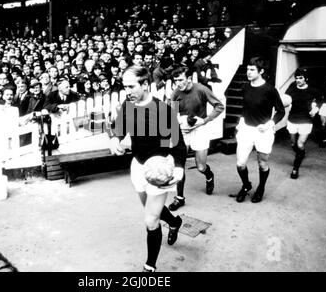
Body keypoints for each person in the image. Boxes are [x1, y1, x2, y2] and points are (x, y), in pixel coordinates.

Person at [109, 65, 187, 272]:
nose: (127, 91)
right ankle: (174, 222)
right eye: (124, 86)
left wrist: (178, 169)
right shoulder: (127, 106)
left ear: (145, 84)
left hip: (159, 169)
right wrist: (115, 140)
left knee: (151, 221)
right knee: (152, 210)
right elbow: (118, 129)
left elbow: (178, 144)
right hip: (138, 165)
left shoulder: (164, 110)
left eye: (131, 86)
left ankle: (150, 267)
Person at [168, 66, 224, 211]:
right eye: (175, 81)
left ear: (188, 78)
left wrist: (204, 120)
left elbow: (219, 106)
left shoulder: (201, 89)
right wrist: (179, 121)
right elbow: (172, 113)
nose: (178, 83)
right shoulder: (175, 93)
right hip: (183, 130)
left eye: (180, 79)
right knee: (179, 166)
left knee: (200, 167)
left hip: (200, 128)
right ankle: (179, 198)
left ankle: (209, 175)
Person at [234, 57, 285, 203]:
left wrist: (270, 124)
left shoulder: (270, 90)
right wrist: (241, 120)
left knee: (262, 163)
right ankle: (246, 185)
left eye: (252, 70)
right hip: (246, 130)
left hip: (263, 131)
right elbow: (245, 108)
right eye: (247, 69)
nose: (248, 72)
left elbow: (280, 111)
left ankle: (261, 187)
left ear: (261, 71)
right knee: (240, 163)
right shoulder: (245, 87)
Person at [284, 68, 321, 179]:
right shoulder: (292, 87)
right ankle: (300, 153)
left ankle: (295, 168)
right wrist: (285, 103)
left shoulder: (312, 90)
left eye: (301, 78)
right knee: (293, 144)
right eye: (296, 78)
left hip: (306, 120)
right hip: (292, 119)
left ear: (306, 79)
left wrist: (316, 108)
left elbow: (320, 100)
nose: (298, 80)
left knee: (300, 144)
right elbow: (286, 98)